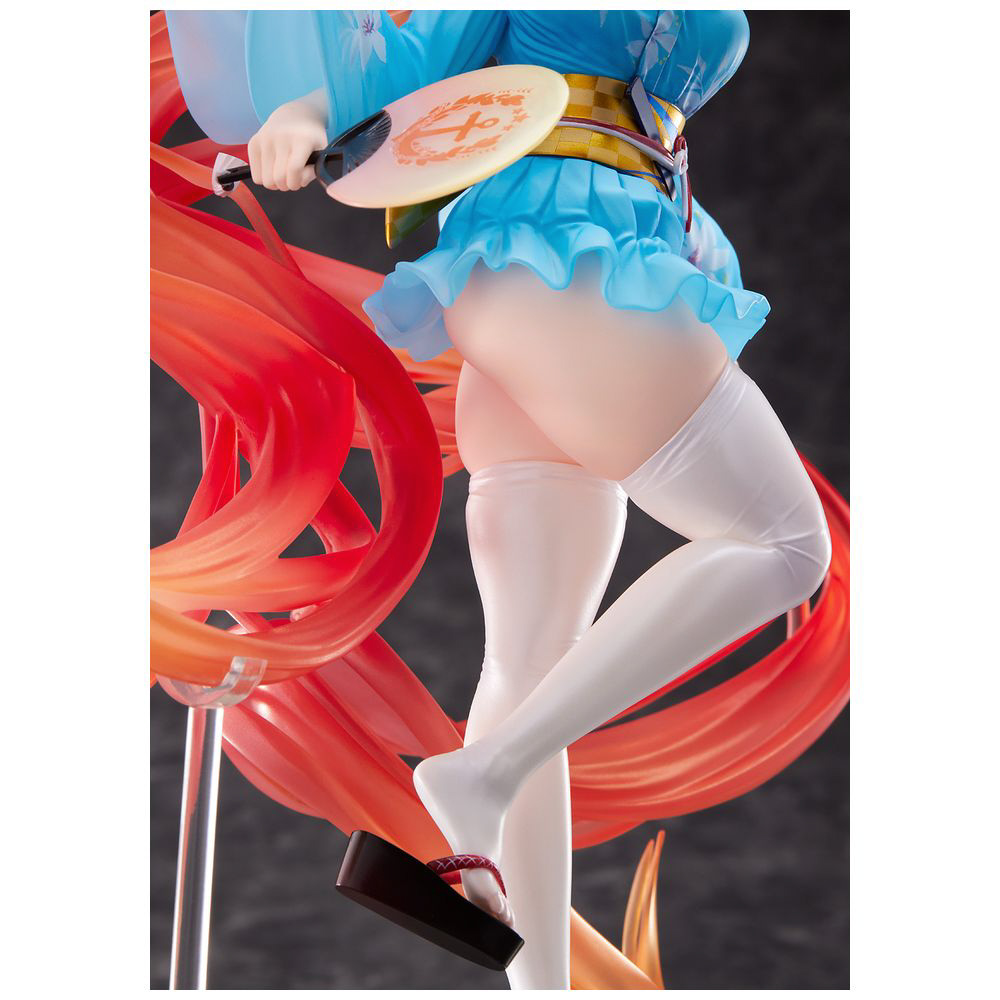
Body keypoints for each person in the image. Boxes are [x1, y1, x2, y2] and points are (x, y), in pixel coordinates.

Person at [165, 10, 833, 990]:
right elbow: (419, 48)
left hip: (570, 275)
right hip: (562, 266)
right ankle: (481, 772)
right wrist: (307, 109)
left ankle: (539, 977)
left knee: (530, 664)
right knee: (785, 544)